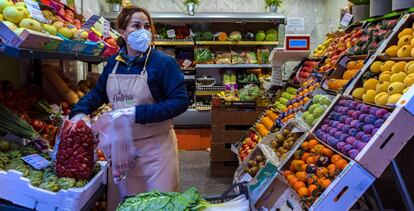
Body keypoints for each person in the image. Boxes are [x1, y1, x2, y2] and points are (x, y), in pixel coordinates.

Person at [69, 6, 189, 210]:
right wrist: (79, 111)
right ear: (123, 32)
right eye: (136, 26)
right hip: (122, 151)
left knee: (158, 204)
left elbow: (180, 101)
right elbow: (99, 93)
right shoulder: (114, 63)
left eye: (146, 26)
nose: (143, 30)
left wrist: (137, 113)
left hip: (156, 152)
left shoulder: (162, 63)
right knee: (126, 204)